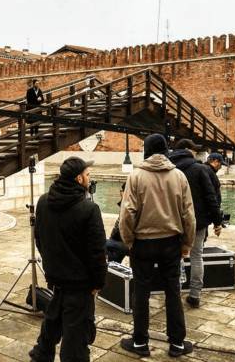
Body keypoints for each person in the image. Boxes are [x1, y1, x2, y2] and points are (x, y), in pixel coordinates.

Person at [119, 134, 196, 358]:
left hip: (142, 242)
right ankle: (177, 343)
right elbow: (188, 215)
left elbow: (127, 213)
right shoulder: (179, 176)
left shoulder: (136, 176)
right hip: (171, 242)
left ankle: (140, 342)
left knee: (141, 292)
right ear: (165, 151)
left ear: (147, 151)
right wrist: (187, 243)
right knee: (173, 291)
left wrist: (128, 241)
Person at [30, 157, 107, 362]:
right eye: (88, 175)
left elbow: (39, 239)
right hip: (80, 284)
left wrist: (52, 265)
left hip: (56, 277)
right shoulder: (89, 209)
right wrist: (98, 283)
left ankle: (41, 356)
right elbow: (98, 253)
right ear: (79, 179)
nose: (90, 178)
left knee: (53, 321)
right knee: (75, 340)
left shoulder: (43, 201)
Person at [168, 140, 222, 309]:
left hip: (172, 221)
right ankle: (194, 295)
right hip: (197, 221)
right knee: (196, 256)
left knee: (174, 258)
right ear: (187, 150)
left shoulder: (168, 169)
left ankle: (174, 294)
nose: (196, 153)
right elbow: (211, 197)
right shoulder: (200, 169)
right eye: (194, 150)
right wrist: (217, 221)